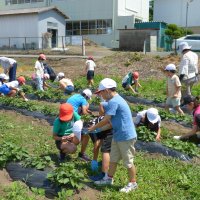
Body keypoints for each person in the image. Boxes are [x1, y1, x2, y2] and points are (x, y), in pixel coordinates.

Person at [88, 78, 138, 193]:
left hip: (126, 136)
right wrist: (98, 130)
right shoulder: (115, 99)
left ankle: (133, 183)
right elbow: (110, 124)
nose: (100, 96)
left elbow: (106, 119)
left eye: (100, 93)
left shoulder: (114, 102)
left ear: (106, 90)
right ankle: (108, 179)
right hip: (118, 134)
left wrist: (94, 127)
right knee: (113, 159)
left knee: (128, 161)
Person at [84, 102, 113, 181]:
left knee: (104, 149)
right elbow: (98, 142)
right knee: (102, 147)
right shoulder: (105, 118)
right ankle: (99, 163)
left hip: (103, 128)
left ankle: (104, 168)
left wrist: (94, 159)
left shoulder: (93, 126)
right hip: (97, 128)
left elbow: (97, 143)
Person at [67, 89, 92, 161]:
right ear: (86, 97)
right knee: (85, 135)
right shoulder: (83, 99)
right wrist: (90, 116)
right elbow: (84, 112)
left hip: (67, 115)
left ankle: (66, 147)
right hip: (73, 118)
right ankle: (80, 153)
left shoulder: (75, 95)